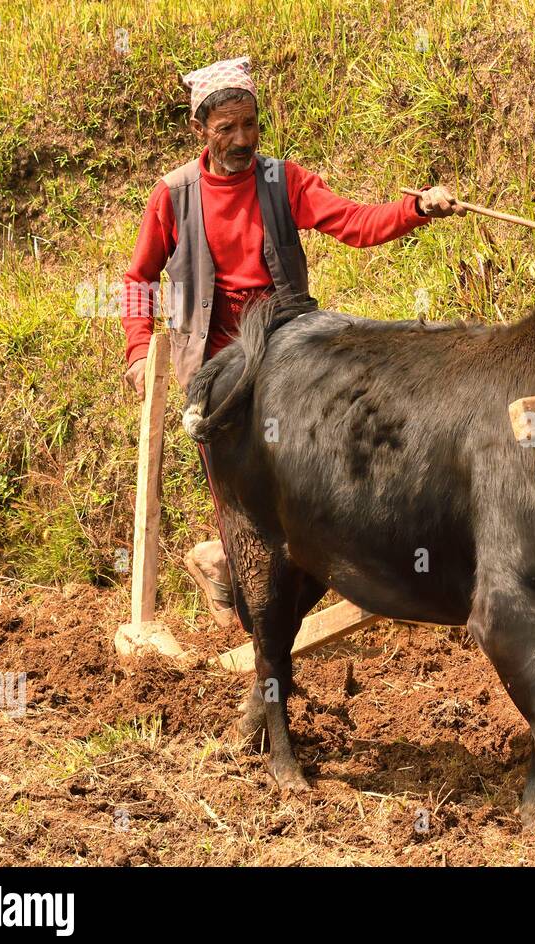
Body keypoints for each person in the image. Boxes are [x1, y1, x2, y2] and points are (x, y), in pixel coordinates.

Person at [120, 55, 465, 625]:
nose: (240, 139)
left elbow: (353, 223)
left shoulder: (281, 180)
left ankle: (274, 568)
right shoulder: (175, 194)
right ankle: (234, 569)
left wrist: (416, 208)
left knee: (311, 475)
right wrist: (138, 348)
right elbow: (138, 278)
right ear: (199, 130)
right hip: (216, 365)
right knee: (239, 497)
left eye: (249, 124)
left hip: (286, 349)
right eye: (225, 128)